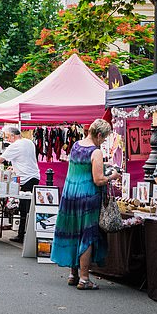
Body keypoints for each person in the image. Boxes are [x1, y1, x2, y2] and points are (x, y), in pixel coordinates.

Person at [51, 119, 121, 290]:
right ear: (98, 135)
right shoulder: (95, 152)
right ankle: (84, 279)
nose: (103, 142)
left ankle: (73, 274)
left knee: (74, 232)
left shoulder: (75, 145)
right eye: (103, 139)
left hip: (70, 194)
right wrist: (113, 176)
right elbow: (98, 180)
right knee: (86, 235)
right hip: (87, 196)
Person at [0, 126, 39, 243]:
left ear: (13, 136)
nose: (7, 140)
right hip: (34, 176)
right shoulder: (29, 142)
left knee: (24, 208)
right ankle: (25, 233)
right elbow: (26, 159)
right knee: (28, 207)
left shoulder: (15, 145)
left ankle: (23, 235)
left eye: (8, 137)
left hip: (25, 178)